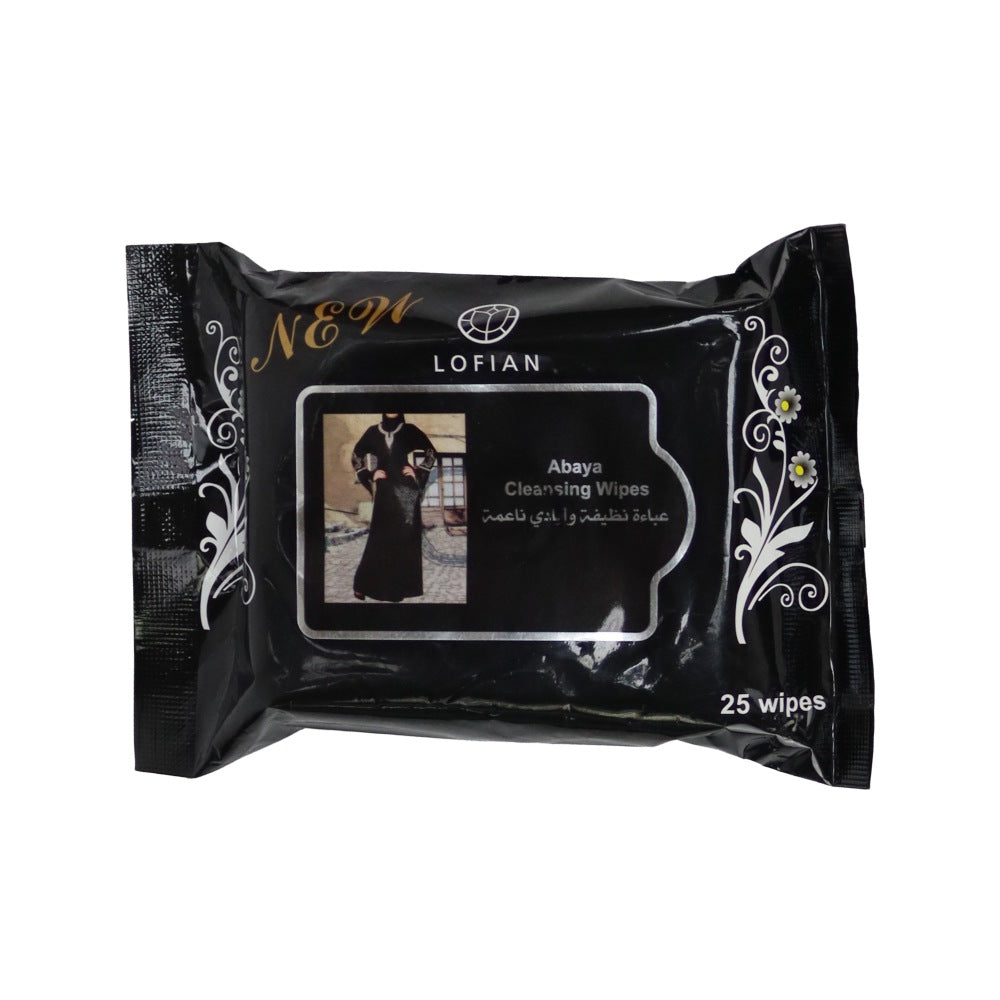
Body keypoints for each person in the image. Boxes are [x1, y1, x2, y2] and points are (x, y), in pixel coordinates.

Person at [351, 413, 437, 602]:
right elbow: (356, 454)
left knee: (404, 538)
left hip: (407, 491)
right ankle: (363, 584)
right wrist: (369, 474)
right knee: (380, 536)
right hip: (386, 489)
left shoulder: (408, 430)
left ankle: (397, 590)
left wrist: (418, 471)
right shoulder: (373, 432)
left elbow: (431, 452)